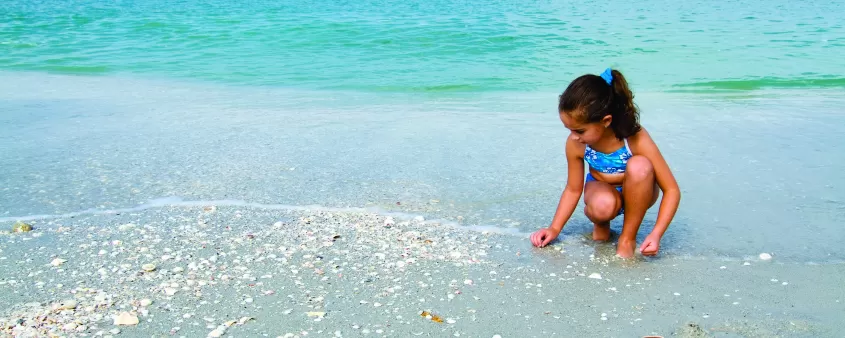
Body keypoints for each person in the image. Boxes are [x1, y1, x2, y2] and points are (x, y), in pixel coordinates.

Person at [529, 68, 681, 258]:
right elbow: (573, 189)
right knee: (603, 206)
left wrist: (656, 234)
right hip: (601, 194)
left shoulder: (634, 138)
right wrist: (554, 228)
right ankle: (601, 223)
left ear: (606, 120)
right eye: (569, 129)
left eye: (580, 131)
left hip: (639, 193)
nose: (574, 137)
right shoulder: (576, 144)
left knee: (640, 166)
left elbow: (672, 190)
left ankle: (627, 238)